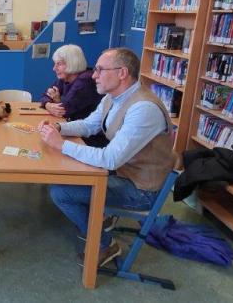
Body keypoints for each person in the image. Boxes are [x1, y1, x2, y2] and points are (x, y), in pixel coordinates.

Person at [37, 48, 175, 268]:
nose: (94, 75)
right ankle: (100, 220)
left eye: (100, 70)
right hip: (121, 172)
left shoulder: (143, 109)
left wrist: (60, 144)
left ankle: (105, 244)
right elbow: (89, 125)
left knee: (61, 192)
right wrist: (59, 128)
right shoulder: (113, 97)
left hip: (140, 189)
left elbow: (110, 159)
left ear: (122, 73)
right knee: (67, 175)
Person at [40, 44, 101, 121]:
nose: (54, 68)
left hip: (85, 127)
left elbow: (65, 110)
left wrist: (57, 100)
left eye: (59, 64)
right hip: (70, 123)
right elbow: (45, 95)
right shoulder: (64, 77)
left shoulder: (86, 80)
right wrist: (48, 105)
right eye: (55, 64)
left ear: (72, 63)